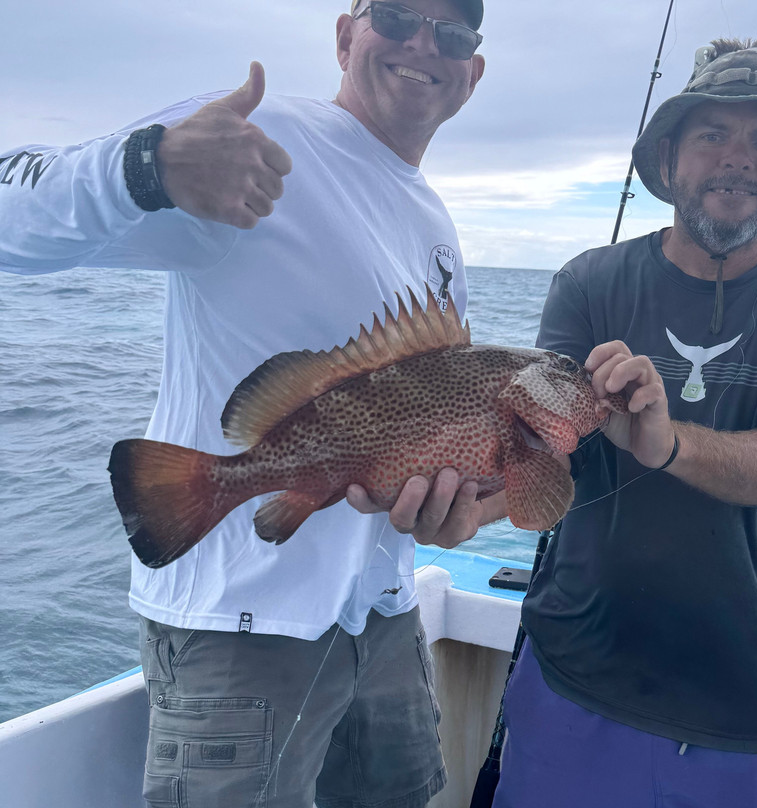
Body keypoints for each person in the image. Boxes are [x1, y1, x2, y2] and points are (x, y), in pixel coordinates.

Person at [0, 1, 492, 806]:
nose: (421, 44)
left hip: (384, 616)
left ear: (471, 73)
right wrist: (147, 165)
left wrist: (460, 508)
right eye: (397, 15)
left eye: (453, 33)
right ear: (344, 34)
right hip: (244, 623)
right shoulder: (266, 145)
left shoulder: (427, 209)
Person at [491, 38, 757, 807]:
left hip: (747, 693)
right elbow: (533, 442)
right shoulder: (588, 281)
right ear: (668, 161)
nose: (738, 160)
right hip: (576, 672)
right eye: (713, 135)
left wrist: (665, 443)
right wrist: (464, 491)